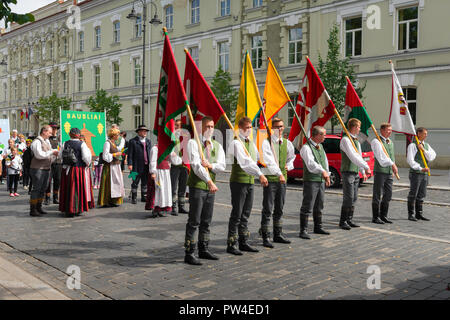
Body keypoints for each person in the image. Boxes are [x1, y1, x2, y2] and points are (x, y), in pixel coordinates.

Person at [184, 116, 226, 265]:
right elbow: (195, 166)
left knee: (206, 220)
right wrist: (208, 180)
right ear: (200, 128)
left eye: (212, 126)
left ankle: (204, 248)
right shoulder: (192, 143)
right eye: (207, 126)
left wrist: (211, 165)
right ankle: (189, 252)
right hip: (198, 186)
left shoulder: (216, 145)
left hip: (210, 187)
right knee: (194, 220)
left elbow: (222, 166)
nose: (210, 129)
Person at [226, 117, 268, 255]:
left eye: (250, 127)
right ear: (240, 128)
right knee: (237, 213)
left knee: (246, 213)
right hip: (239, 181)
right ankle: (232, 243)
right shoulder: (236, 143)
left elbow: (255, 160)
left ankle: (243, 241)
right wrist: (260, 174)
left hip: (249, 181)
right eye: (246, 128)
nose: (249, 130)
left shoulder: (250, 142)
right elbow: (245, 162)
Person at [259, 118, 295, 247]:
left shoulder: (287, 143)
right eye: (276, 127)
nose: (279, 129)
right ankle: (265, 236)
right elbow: (268, 160)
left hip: (282, 180)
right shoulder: (266, 143)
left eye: (281, 126)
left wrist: (288, 166)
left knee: (279, 208)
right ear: (271, 129)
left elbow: (292, 157)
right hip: (271, 180)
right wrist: (278, 173)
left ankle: (278, 234)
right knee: (268, 209)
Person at [299, 126, 331, 239]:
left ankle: (318, 226)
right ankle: (303, 230)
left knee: (319, 204)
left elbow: (325, 162)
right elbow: (311, 164)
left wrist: (327, 174)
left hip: (321, 180)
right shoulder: (306, 148)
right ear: (317, 135)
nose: (325, 137)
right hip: (311, 180)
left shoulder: (320, 146)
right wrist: (322, 171)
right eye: (324, 135)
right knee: (308, 205)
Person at [339, 118, 372, 230]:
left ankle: (349, 219)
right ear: (353, 127)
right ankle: (343, 221)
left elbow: (359, 156)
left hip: (355, 172)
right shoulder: (345, 140)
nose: (359, 129)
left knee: (354, 198)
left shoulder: (356, 141)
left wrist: (362, 171)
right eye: (358, 127)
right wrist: (366, 167)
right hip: (348, 172)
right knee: (348, 197)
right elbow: (352, 156)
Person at [59, 128, 93, 217]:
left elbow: (60, 155)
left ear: (70, 134)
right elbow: (86, 157)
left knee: (67, 188)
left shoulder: (65, 143)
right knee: (77, 189)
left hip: (66, 169)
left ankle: (67, 208)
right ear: (78, 135)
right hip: (77, 169)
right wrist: (87, 164)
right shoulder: (82, 144)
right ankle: (76, 208)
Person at [371, 123, 399, 224]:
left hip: (388, 172)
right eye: (388, 130)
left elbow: (392, 157)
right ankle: (375, 217)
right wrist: (392, 164)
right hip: (380, 171)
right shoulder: (376, 141)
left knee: (388, 194)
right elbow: (380, 157)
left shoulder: (390, 142)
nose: (390, 132)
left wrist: (393, 168)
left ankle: (384, 215)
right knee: (377, 194)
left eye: (391, 130)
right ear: (382, 130)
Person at [407, 127, 436, 221]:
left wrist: (423, 150)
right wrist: (420, 168)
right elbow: (410, 160)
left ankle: (419, 214)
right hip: (416, 173)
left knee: (422, 194)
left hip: (424, 174)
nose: (426, 135)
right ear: (418, 134)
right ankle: (411, 214)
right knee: (413, 194)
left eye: (426, 133)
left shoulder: (426, 145)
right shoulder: (412, 145)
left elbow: (431, 156)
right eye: (424, 133)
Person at [29, 125, 59, 216]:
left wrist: (54, 156)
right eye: (49, 132)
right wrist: (52, 152)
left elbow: (48, 155)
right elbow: (39, 155)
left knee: (43, 188)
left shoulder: (46, 141)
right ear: (44, 132)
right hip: (37, 168)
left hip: (46, 168)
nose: (50, 134)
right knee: (37, 189)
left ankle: (39, 207)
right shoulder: (36, 142)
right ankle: (33, 209)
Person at [145, 144, 181, 217]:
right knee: (158, 190)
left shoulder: (168, 148)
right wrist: (153, 172)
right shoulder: (155, 148)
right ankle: (155, 209)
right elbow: (153, 161)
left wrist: (177, 157)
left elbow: (174, 161)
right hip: (158, 171)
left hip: (166, 172)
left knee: (164, 191)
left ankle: (160, 209)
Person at [98, 128, 125, 207]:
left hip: (115, 165)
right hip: (109, 166)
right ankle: (106, 201)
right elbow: (105, 156)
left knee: (116, 183)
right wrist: (114, 154)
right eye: (117, 135)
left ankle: (114, 200)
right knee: (109, 183)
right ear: (113, 135)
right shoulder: (107, 143)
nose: (118, 136)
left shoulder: (114, 143)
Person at [127, 125, 152, 204]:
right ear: (139, 132)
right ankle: (134, 197)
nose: (145, 133)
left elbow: (150, 153)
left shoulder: (148, 141)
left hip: (146, 165)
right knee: (135, 181)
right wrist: (130, 164)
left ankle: (144, 196)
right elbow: (130, 154)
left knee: (145, 182)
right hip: (136, 165)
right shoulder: (133, 141)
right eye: (143, 131)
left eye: (146, 131)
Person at [170, 119, 189, 215]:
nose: (177, 127)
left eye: (179, 125)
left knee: (183, 186)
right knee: (173, 187)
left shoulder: (185, 137)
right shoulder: (172, 137)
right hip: (175, 164)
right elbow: (170, 151)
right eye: (176, 125)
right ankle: (173, 207)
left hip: (184, 165)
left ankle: (181, 206)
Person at [44, 122, 62, 205]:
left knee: (57, 180)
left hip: (58, 162)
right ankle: (47, 198)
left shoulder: (59, 139)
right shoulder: (47, 139)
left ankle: (56, 197)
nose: (55, 130)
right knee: (48, 180)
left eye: (56, 129)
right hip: (49, 162)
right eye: (53, 129)